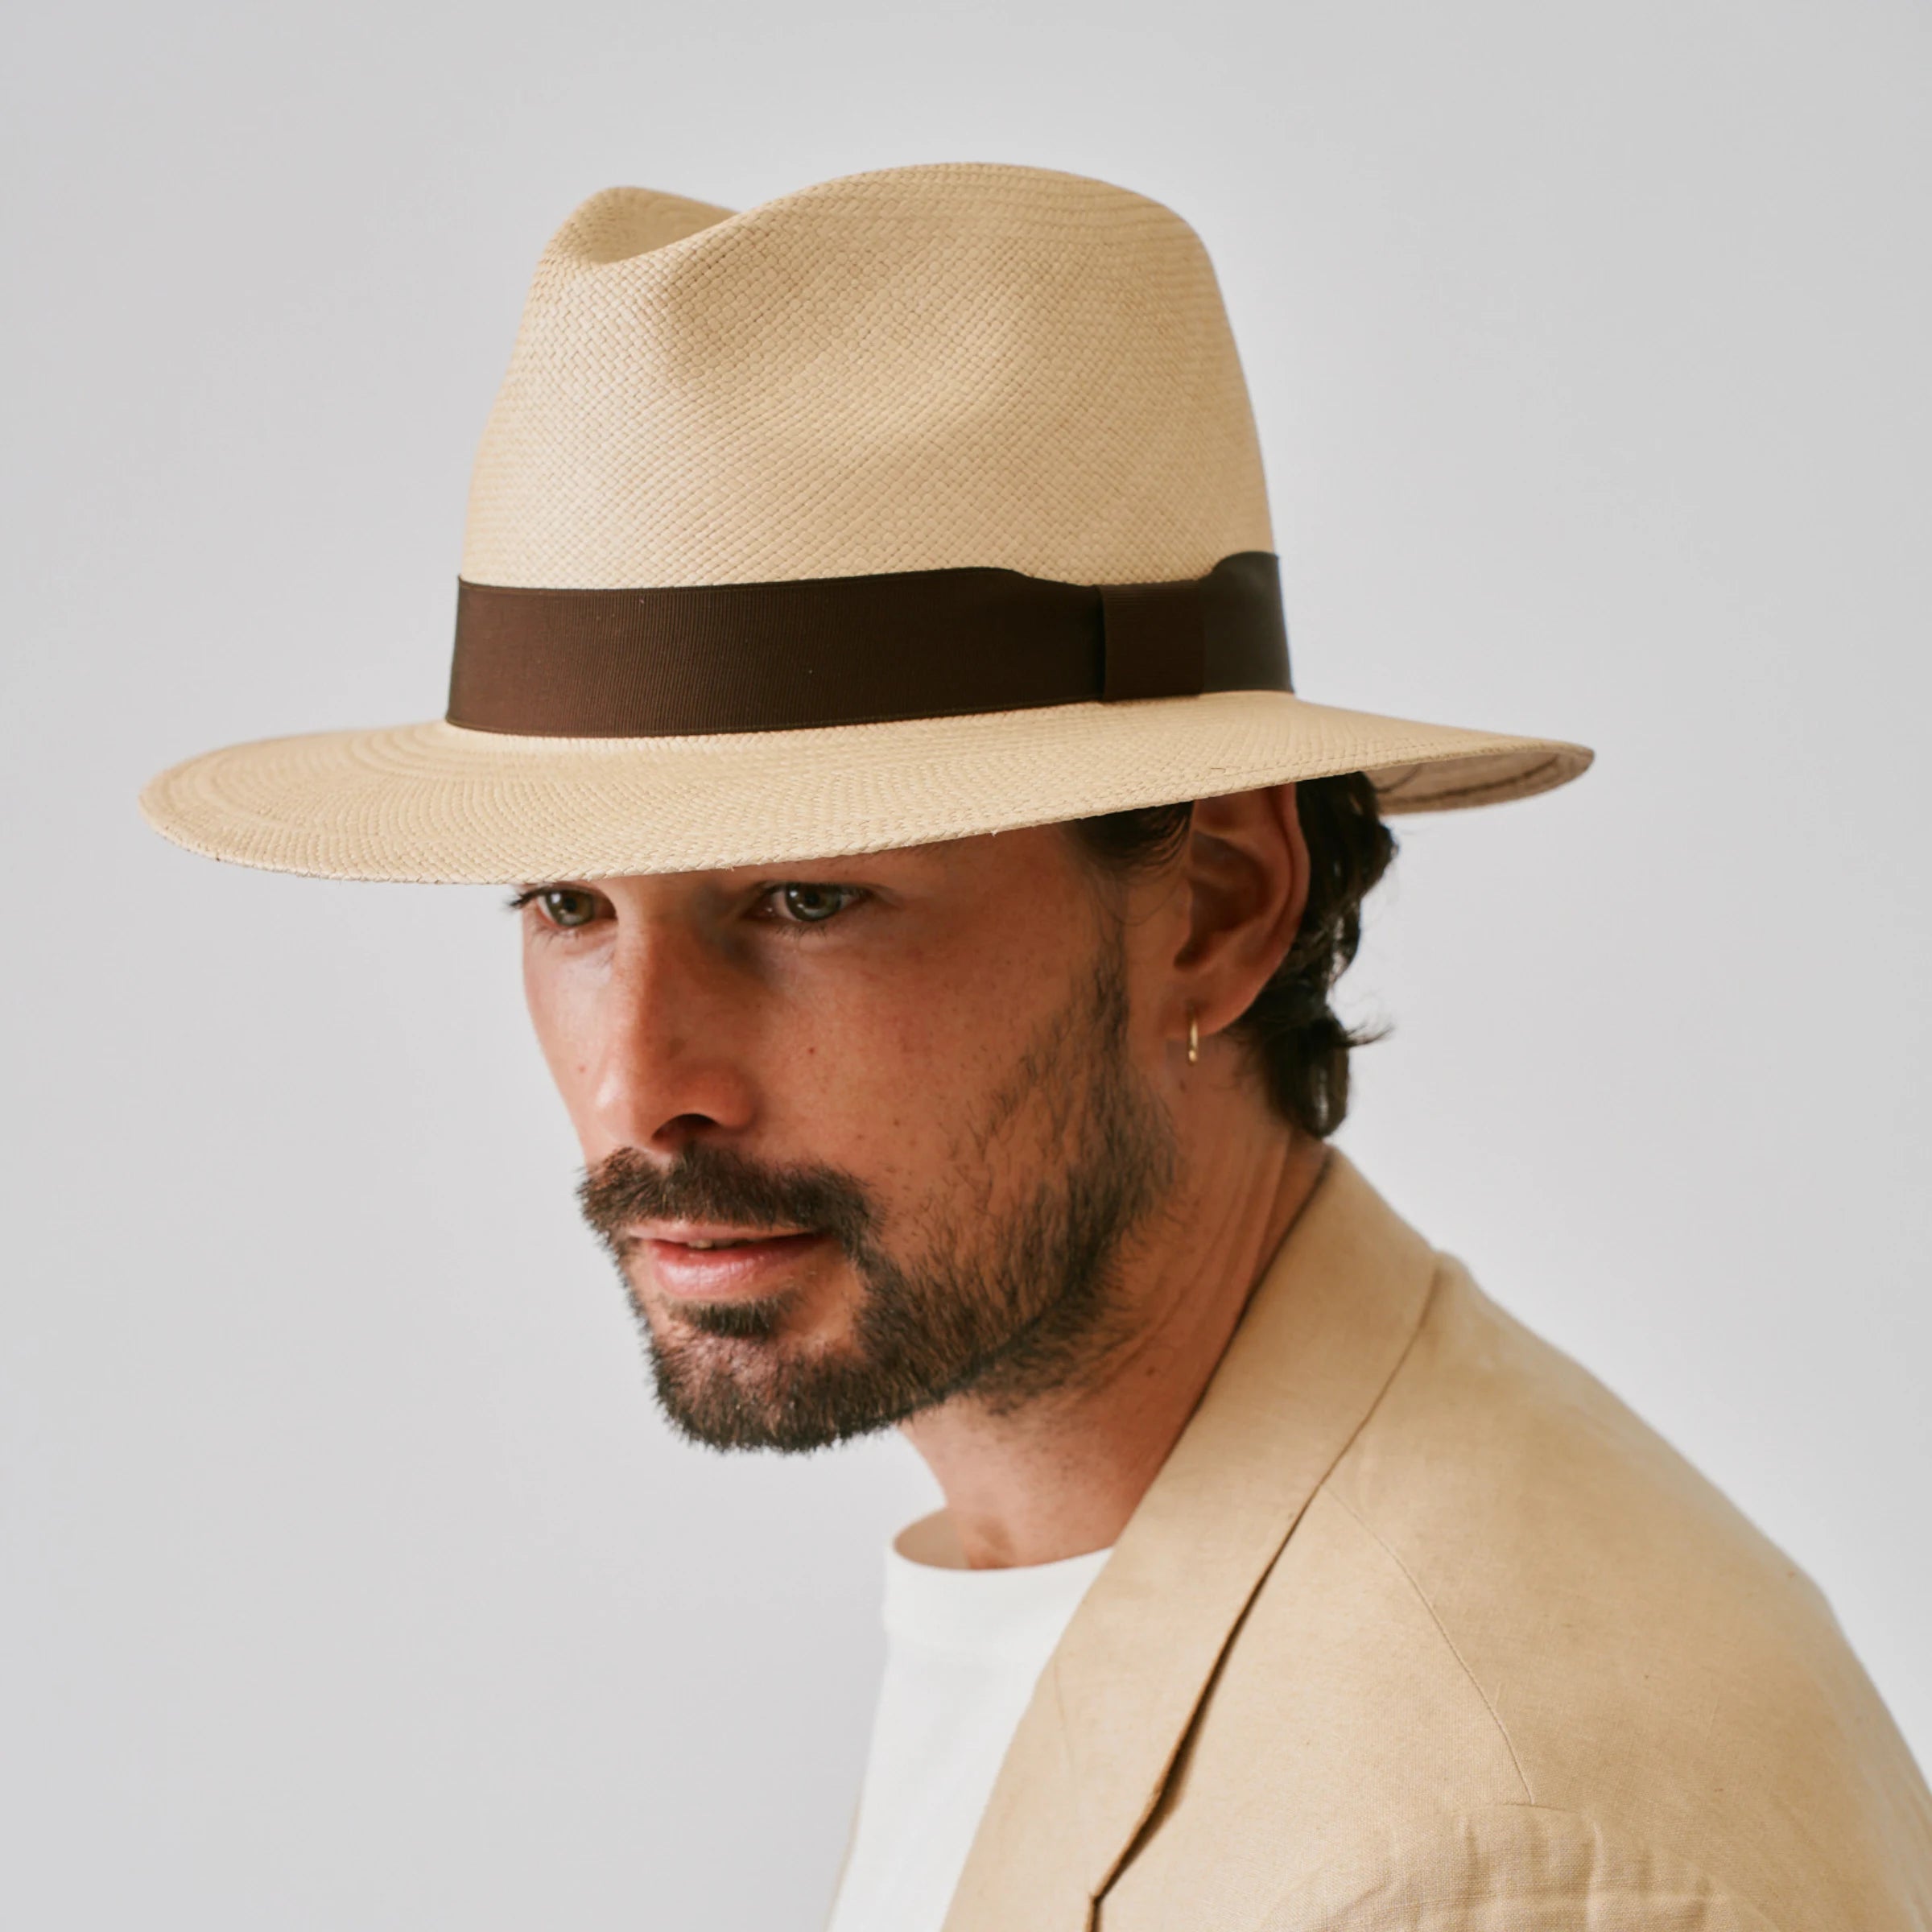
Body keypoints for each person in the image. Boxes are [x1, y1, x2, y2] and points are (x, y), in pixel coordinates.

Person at [142, 162, 1931, 1931]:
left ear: (1215, 906)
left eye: (807, 904)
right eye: (566, 906)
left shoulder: (1502, 1839)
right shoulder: (1097, 1578)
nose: (638, 1086)